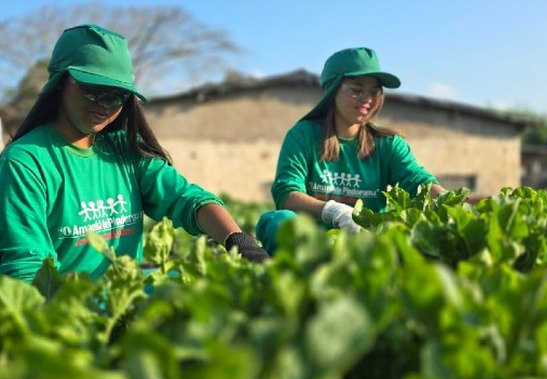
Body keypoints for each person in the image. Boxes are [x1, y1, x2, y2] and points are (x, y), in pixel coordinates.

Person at [0, 24, 268, 283]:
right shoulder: (26, 162)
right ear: (60, 82)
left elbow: (186, 199)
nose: (105, 105)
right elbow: (28, 268)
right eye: (94, 91)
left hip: (126, 296)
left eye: (117, 96)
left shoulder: (125, 149)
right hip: (70, 313)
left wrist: (240, 241)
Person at [256, 47, 446, 255]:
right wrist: (332, 211)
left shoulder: (388, 144)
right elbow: (287, 193)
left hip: (365, 246)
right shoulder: (304, 135)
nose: (367, 99)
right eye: (356, 90)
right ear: (332, 90)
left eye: (374, 92)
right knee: (276, 222)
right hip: (311, 246)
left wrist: (450, 202)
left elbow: (418, 180)